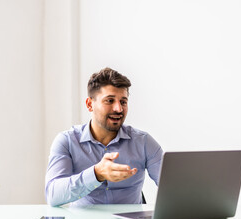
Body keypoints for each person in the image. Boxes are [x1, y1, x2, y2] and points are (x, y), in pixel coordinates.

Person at [45, 67, 163, 207]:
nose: (118, 109)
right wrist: (96, 174)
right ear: (90, 104)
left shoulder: (143, 142)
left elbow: (173, 186)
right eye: (110, 100)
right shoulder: (67, 141)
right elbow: (53, 195)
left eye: (123, 102)